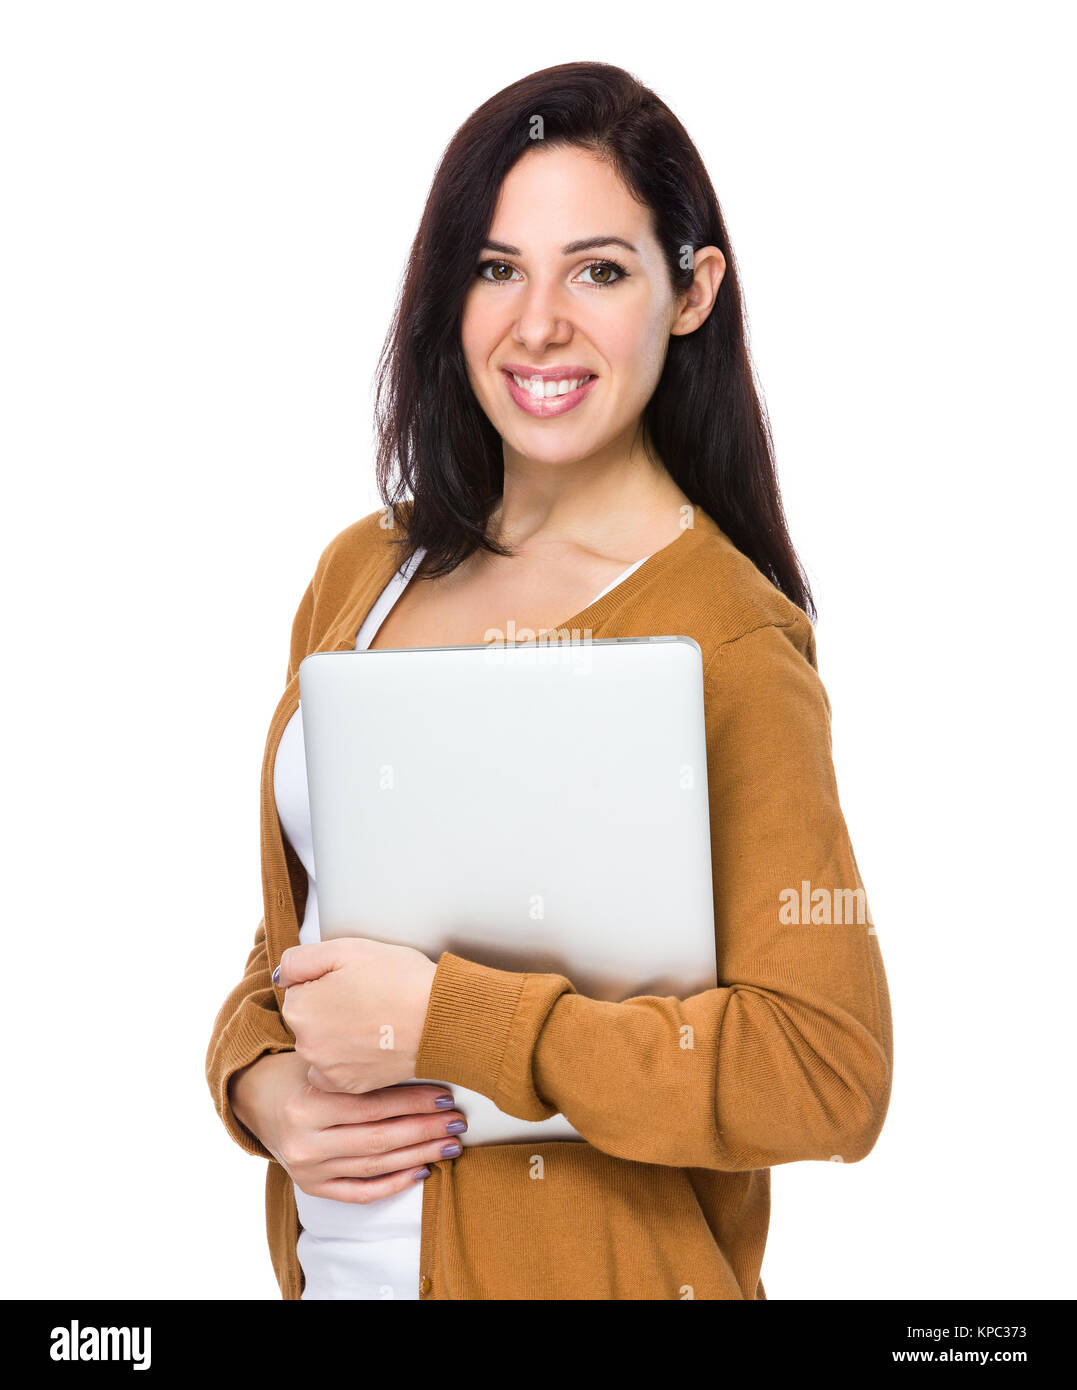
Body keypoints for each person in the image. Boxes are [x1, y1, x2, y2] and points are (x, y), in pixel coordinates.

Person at [205, 60, 894, 1301]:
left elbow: (827, 1069)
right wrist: (257, 1084)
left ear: (693, 292)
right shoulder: (364, 576)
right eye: (495, 266)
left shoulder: (725, 636)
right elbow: (294, 948)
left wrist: (452, 1021)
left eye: (599, 269)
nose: (538, 324)